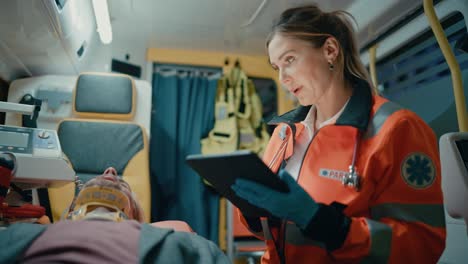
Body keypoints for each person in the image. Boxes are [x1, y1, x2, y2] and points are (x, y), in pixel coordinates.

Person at [230, 4, 446, 264]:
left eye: (290, 59)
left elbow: (421, 247)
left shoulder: (396, 129)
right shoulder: (283, 134)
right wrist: (252, 209)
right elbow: (269, 232)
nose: (283, 78)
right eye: (277, 67)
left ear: (330, 51)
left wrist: (322, 222)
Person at [0, 163, 230, 264]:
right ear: (70, 212)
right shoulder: (19, 234)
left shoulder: (178, 244)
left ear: (137, 220)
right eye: (93, 182)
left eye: (123, 187)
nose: (110, 172)